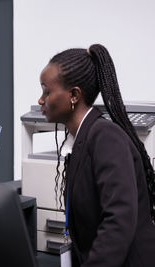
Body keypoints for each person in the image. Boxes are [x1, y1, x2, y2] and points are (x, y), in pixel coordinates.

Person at [38, 44, 155, 266]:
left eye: (47, 91)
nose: (41, 100)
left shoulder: (105, 137)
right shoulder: (82, 139)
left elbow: (118, 221)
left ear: (74, 95)